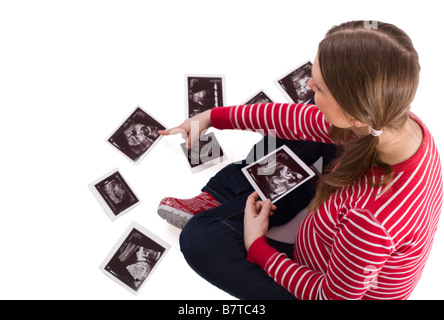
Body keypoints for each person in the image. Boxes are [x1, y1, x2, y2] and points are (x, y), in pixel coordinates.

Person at [157, 21, 443, 300]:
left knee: (200, 240)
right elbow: (295, 120)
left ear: (355, 116)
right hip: (342, 227)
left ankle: (245, 209)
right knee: (311, 119)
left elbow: (329, 295)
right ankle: (223, 196)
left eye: (319, 87)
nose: (308, 84)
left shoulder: (370, 220)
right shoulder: (396, 122)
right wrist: (211, 117)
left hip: (324, 279)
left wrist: (257, 246)